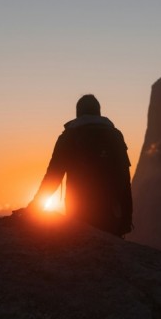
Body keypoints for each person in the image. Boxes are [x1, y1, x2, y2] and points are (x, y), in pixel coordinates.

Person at [30, 94, 132, 236]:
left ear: (78, 113)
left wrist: (33, 208)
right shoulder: (115, 136)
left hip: (78, 213)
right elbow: (125, 179)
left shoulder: (69, 136)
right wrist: (126, 220)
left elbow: (53, 176)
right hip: (111, 215)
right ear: (99, 112)